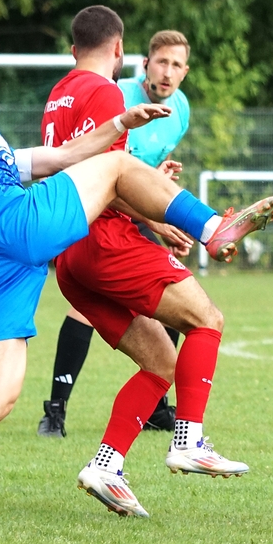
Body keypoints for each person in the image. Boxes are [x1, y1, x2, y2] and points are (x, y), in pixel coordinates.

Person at [0, 39, 273, 527]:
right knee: (120, 166)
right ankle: (214, 228)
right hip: (11, 225)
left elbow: (65, 156)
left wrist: (120, 123)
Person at [37, 7, 273, 519]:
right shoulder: (109, 94)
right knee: (207, 320)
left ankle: (106, 466)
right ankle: (189, 440)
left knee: (162, 361)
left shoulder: (59, 95)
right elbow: (110, 180)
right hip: (106, 239)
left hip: (70, 254)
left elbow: (83, 174)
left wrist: (152, 193)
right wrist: (159, 216)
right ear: (122, 50)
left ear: (73, 49)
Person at [37, 25, 192, 438]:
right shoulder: (113, 93)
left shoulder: (181, 110)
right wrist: (155, 216)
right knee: (85, 307)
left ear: (185, 72)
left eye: (176, 65)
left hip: (132, 205)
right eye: (161, 62)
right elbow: (94, 162)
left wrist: (156, 179)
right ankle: (55, 411)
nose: (167, 71)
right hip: (97, 206)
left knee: (173, 295)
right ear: (144, 63)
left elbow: (140, 164)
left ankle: (156, 408)